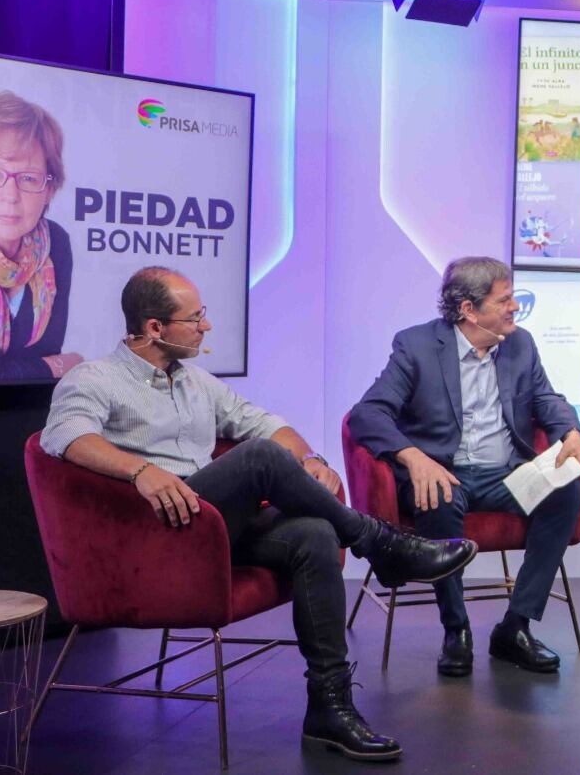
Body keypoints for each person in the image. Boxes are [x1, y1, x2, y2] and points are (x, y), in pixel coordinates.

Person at [40, 267, 477, 763]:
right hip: (151, 537)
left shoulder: (197, 382)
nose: (206, 326)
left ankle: (329, 709)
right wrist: (141, 470)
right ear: (155, 328)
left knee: (312, 532)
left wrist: (312, 460)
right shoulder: (94, 377)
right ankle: (379, 543)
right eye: (196, 318)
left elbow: (268, 424)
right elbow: (65, 437)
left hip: (208, 526)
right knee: (261, 458)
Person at [349, 256, 580, 678]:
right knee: (437, 496)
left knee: (567, 485)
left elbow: (546, 400)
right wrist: (413, 457)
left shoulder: (520, 344)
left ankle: (515, 626)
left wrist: (570, 433)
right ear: (469, 309)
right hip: (446, 473)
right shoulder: (416, 346)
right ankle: (455, 630)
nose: (516, 307)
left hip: (506, 476)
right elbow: (367, 414)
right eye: (506, 300)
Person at [0, 90, 81, 382]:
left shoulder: (55, 244)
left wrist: (14, 371)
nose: (10, 196)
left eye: (28, 178)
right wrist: (65, 365)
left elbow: (48, 347)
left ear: (50, 188)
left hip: (28, 416)